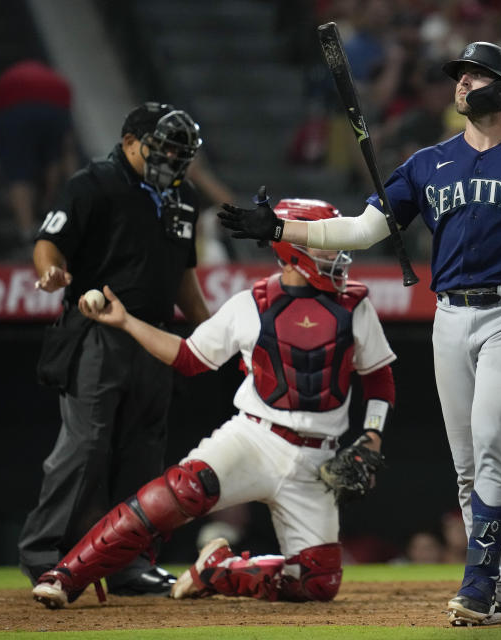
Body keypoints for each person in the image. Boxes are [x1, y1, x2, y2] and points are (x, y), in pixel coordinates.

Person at [218, 41, 501, 627]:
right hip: (450, 315)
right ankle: (495, 587)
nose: (462, 83)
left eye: (474, 74)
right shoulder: (428, 163)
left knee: (490, 441)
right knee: (466, 465)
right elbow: (362, 231)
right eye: (458, 76)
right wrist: (282, 228)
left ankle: (479, 581)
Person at [31, 197, 397, 609]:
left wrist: (373, 434)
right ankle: (65, 575)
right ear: (291, 249)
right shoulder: (250, 303)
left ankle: (218, 571)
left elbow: (379, 378)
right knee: (181, 490)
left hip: (317, 460)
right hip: (255, 437)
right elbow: (189, 358)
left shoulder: (356, 304)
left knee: (317, 584)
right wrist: (126, 321)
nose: (336, 252)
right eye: (323, 242)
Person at [19, 102, 211, 596]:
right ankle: (45, 554)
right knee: (86, 445)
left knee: (144, 455)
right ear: (130, 141)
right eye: (164, 147)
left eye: (179, 151)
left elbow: (184, 279)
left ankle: (128, 564)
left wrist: (212, 331)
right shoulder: (93, 183)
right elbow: (49, 240)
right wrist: (50, 270)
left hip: (156, 336)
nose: (172, 157)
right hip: (98, 331)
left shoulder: (182, 197)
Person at [0, 59, 78, 247]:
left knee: (18, 173)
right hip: (55, 105)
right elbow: (66, 145)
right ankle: (50, 202)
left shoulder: (10, 81)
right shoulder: (55, 80)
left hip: (13, 107)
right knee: (54, 159)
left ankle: (27, 230)